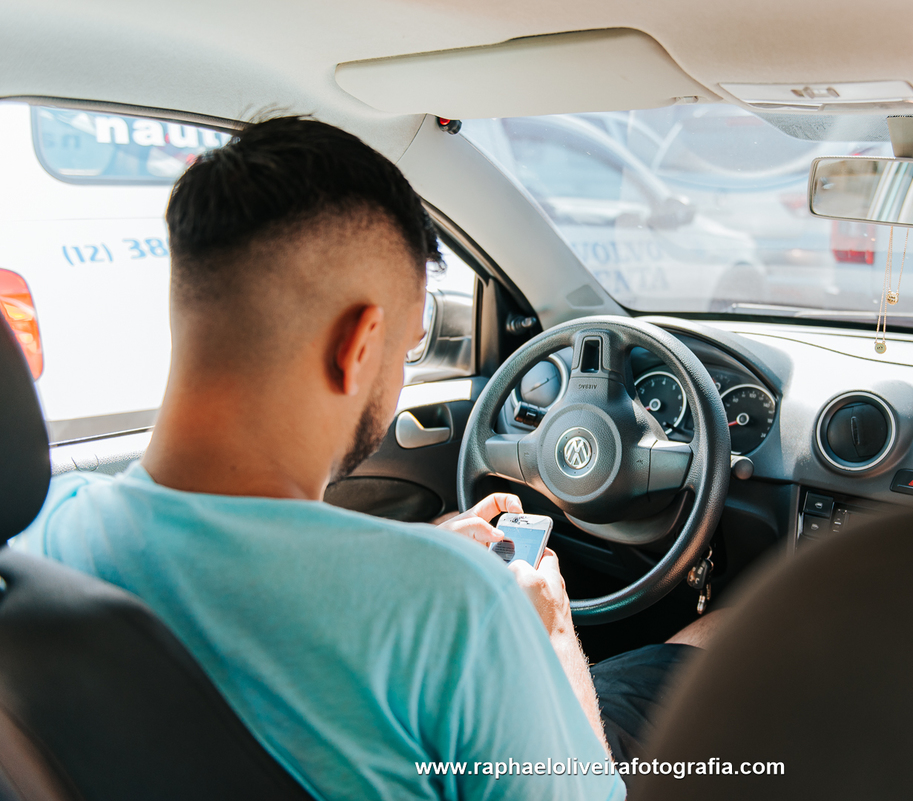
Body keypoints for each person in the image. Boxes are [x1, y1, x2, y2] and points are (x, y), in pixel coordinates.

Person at [11, 117, 716, 800]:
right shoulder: (459, 610)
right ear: (358, 344)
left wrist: (412, 555)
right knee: (718, 655)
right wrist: (552, 635)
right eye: (406, 350)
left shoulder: (38, 543)